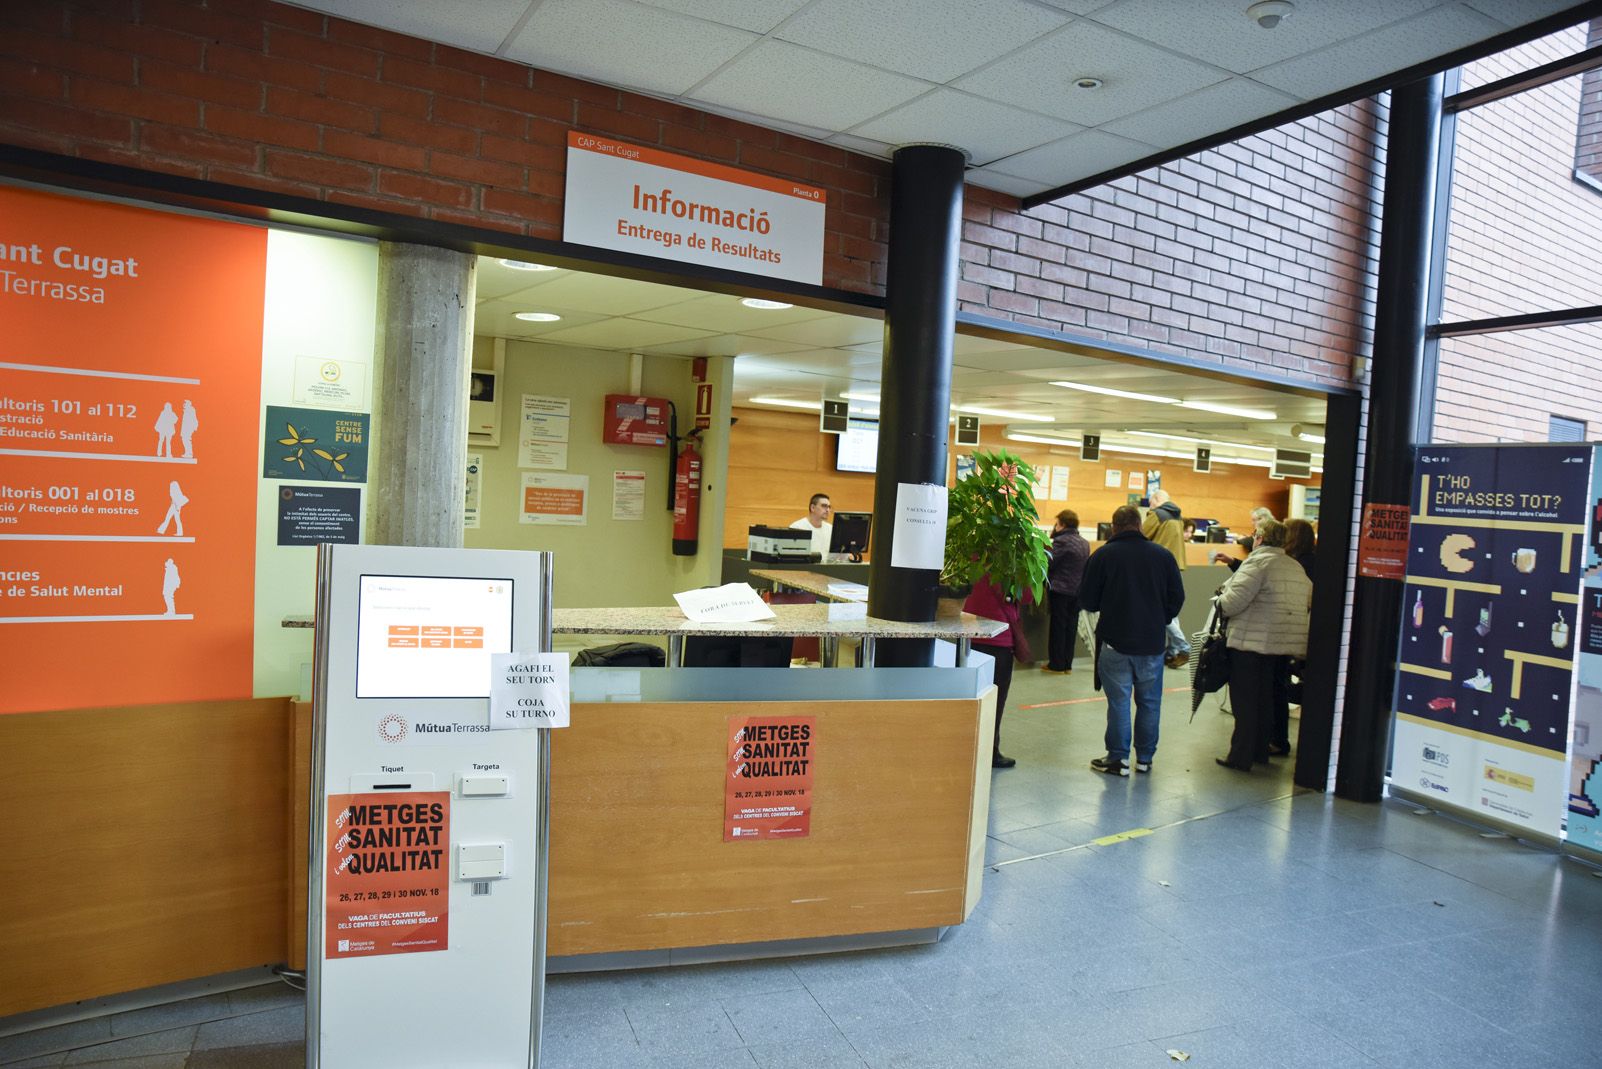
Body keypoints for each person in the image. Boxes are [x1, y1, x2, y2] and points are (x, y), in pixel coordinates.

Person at [1080, 505, 1184, 776]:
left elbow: (1087, 600)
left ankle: (1118, 760)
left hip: (1115, 643)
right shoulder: (1163, 556)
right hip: (1151, 644)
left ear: (1113, 527)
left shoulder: (1103, 555)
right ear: (1140, 525)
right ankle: (1145, 760)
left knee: (1119, 702)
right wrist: (1158, 618)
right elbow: (1177, 599)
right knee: (1150, 703)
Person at [1214, 520, 1312, 771]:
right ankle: (1260, 751)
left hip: (1250, 642)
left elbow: (1231, 603)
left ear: (1259, 538)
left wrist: (1221, 597)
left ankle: (1240, 756)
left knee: (1245, 702)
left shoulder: (1257, 562)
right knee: (1266, 699)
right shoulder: (1294, 566)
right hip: (1280, 645)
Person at [964, 574, 1031, 768]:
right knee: (995, 700)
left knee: (970, 696)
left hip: (970, 634)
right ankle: (989, 752)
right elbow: (1026, 596)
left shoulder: (974, 555)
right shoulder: (1010, 563)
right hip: (999, 638)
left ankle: (968, 747)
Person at [1142, 489, 1191, 668]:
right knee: (1171, 610)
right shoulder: (1177, 517)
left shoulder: (1157, 515)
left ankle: (1184, 647)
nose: (1150, 506)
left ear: (1156, 500)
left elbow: (1140, 536)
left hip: (1158, 568)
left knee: (1159, 610)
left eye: (1150, 502)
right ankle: (1171, 652)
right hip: (1175, 567)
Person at [1044, 509, 1089, 673]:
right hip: (1077, 592)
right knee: (1071, 628)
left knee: (1058, 628)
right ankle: (1067, 665)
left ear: (1061, 524)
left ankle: (1056, 664)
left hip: (1061, 591)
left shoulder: (1060, 542)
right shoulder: (1084, 542)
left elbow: (1047, 563)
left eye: (1056, 524)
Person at [1212, 506, 1276, 571]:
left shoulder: (1268, 535)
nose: (1252, 523)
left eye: (1254, 520)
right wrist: (1231, 561)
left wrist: (1240, 540)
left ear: (1261, 519)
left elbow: (1250, 571)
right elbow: (1249, 570)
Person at [790, 493, 832, 558]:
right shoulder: (797, 527)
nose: (828, 510)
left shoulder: (831, 529)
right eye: (824, 506)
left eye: (829, 507)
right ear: (812, 508)